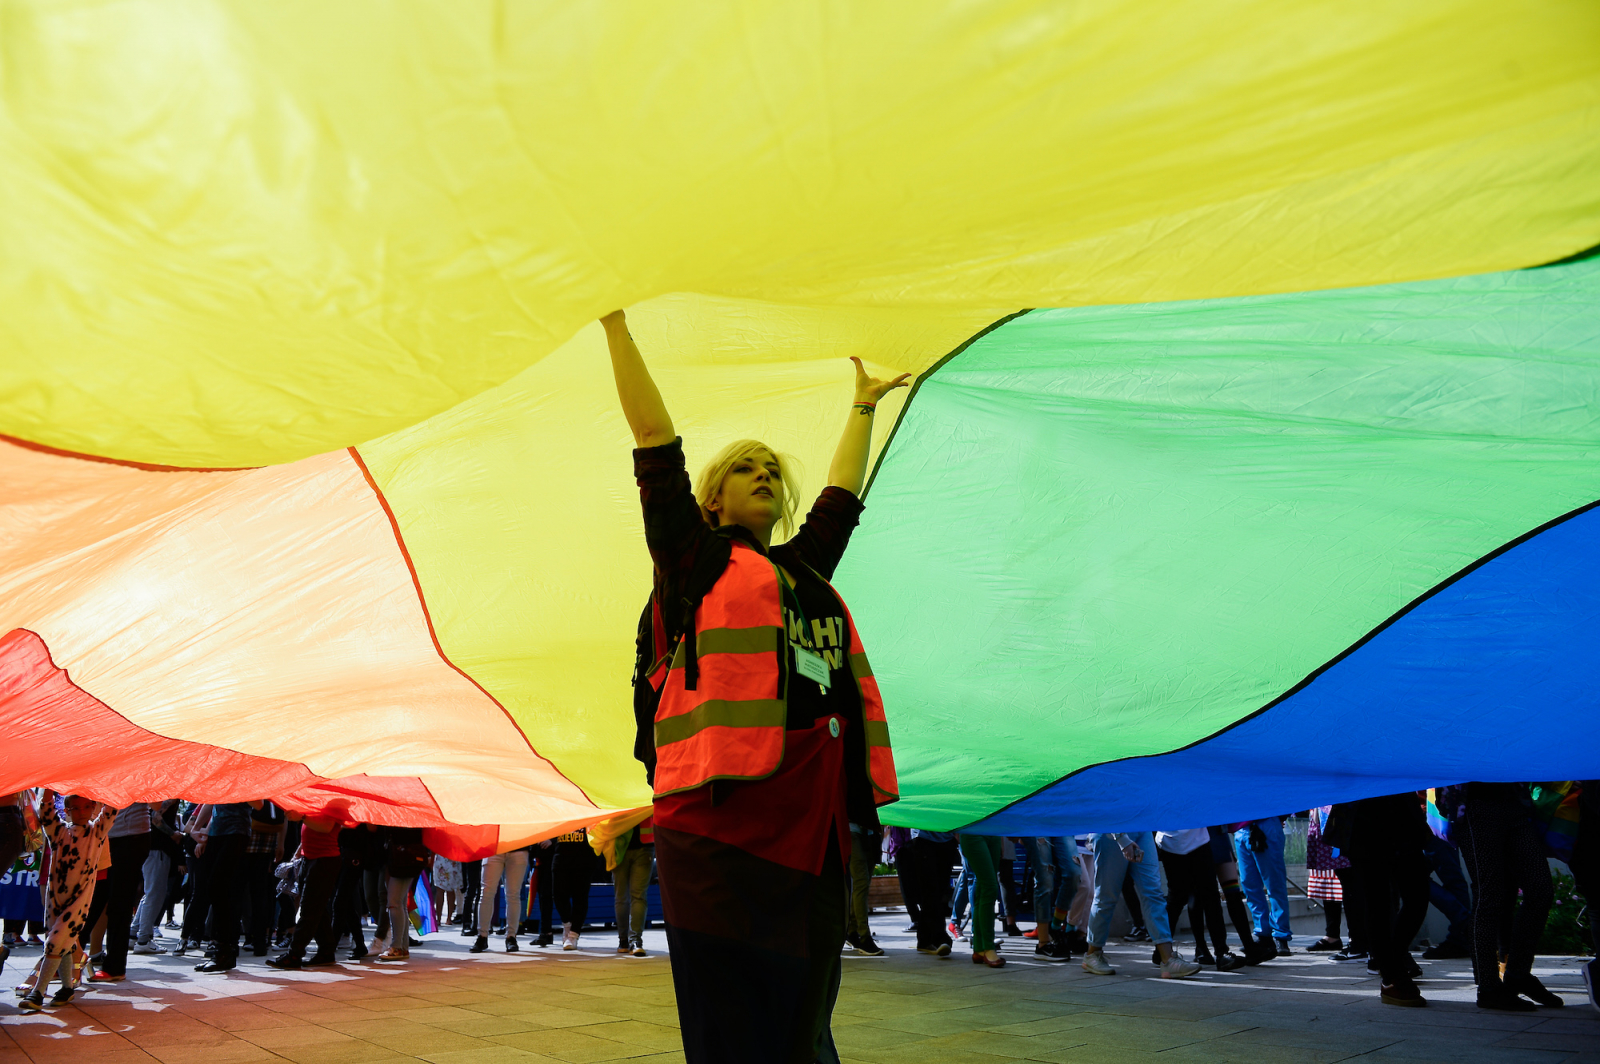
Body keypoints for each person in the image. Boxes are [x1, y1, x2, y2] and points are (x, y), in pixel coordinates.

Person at [606, 308, 902, 1063]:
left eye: (772, 469)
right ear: (711, 501)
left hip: (809, 818)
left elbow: (842, 497)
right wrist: (615, 325)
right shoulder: (691, 561)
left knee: (806, 1007)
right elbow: (654, 445)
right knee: (730, 1012)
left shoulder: (802, 572)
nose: (765, 474)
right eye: (746, 467)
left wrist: (863, 404)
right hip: (716, 823)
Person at [1464, 783, 1560, 1011]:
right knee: (1488, 895)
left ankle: (1517, 973)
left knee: (1540, 889)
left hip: (1513, 802)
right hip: (1475, 803)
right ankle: (1488, 987)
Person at [22, 791, 110, 1012]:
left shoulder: (97, 832)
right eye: (75, 809)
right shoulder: (59, 832)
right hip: (56, 899)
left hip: (79, 901)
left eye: (86, 807)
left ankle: (38, 992)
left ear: (93, 808)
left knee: (55, 941)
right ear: (67, 811)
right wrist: (50, 789)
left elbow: (112, 809)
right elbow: (46, 811)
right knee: (65, 943)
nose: (81, 813)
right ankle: (66, 987)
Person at [1343, 795, 1431, 1008]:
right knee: (1378, 902)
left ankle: (1393, 963)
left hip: (1398, 814)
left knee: (1416, 895)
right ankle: (1392, 975)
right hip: (1366, 814)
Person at [1079, 831, 1201, 979]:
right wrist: (1122, 839)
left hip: (1140, 828)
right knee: (1107, 896)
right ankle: (1093, 953)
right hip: (1111, 829)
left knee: (1153, 893)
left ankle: (1168, 959)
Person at [1155, 829, 1245, 971]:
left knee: (1211, 897)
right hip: (1170, 842)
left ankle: (1222, 953)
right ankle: (1161, 948)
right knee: (1177, 898)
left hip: (1199, 841)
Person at [266, 814, 343, 970]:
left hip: (324, 860)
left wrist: (301, 816)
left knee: (309, 909)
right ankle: (326, 952)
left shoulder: (331, 802)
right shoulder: (317, 803)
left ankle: (294, 954)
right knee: (317, 909)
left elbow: (326, 826)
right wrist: (299, 852)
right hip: (310, 859)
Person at [1232, 817, 1293, 955]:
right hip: (1241, 829)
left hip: (1266, 824)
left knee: (1274, 883)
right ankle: (1263, 933)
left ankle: (1280, 935)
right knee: (1249, 885)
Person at [898, 829, 956, 957]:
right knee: (931, 891)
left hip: (946, 838)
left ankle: (925, 939)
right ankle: (939, 937)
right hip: (924, 839)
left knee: (938, 892)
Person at [375, 827, 427, 962]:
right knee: (399, 903)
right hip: (397, 855)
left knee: (395, 902)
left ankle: (397, 947)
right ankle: (401, 947)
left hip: (404, 856)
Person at [1027, 836, 1078, 962]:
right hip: (1036, 824)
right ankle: (1043, 944)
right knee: (1044, 880)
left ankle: (1055, 927)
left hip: (1062, 823)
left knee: (1074, 874)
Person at [473, 846, 530, 954]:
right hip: (493, 847)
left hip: (519, 846)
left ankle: (511, 936)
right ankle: (482, 936)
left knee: (513, 895)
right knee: (486, 893)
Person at [613, 819, 655, 957]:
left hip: (620, 844)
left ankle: (625, 941)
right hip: (640, 845)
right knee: (637, 896)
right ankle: (634, 941)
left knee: (622, 897)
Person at [844, 823, 884, 956]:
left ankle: (852, 931)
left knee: (862, 884)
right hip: (852, 830)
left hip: (870, 833)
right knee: (861, 882)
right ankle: (864, 937)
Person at [552, 827, 596, 951]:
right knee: (558, 894)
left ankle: (573, 934)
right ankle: (567, 925)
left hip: (584, 858)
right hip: (560, 855)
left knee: (580, 897)